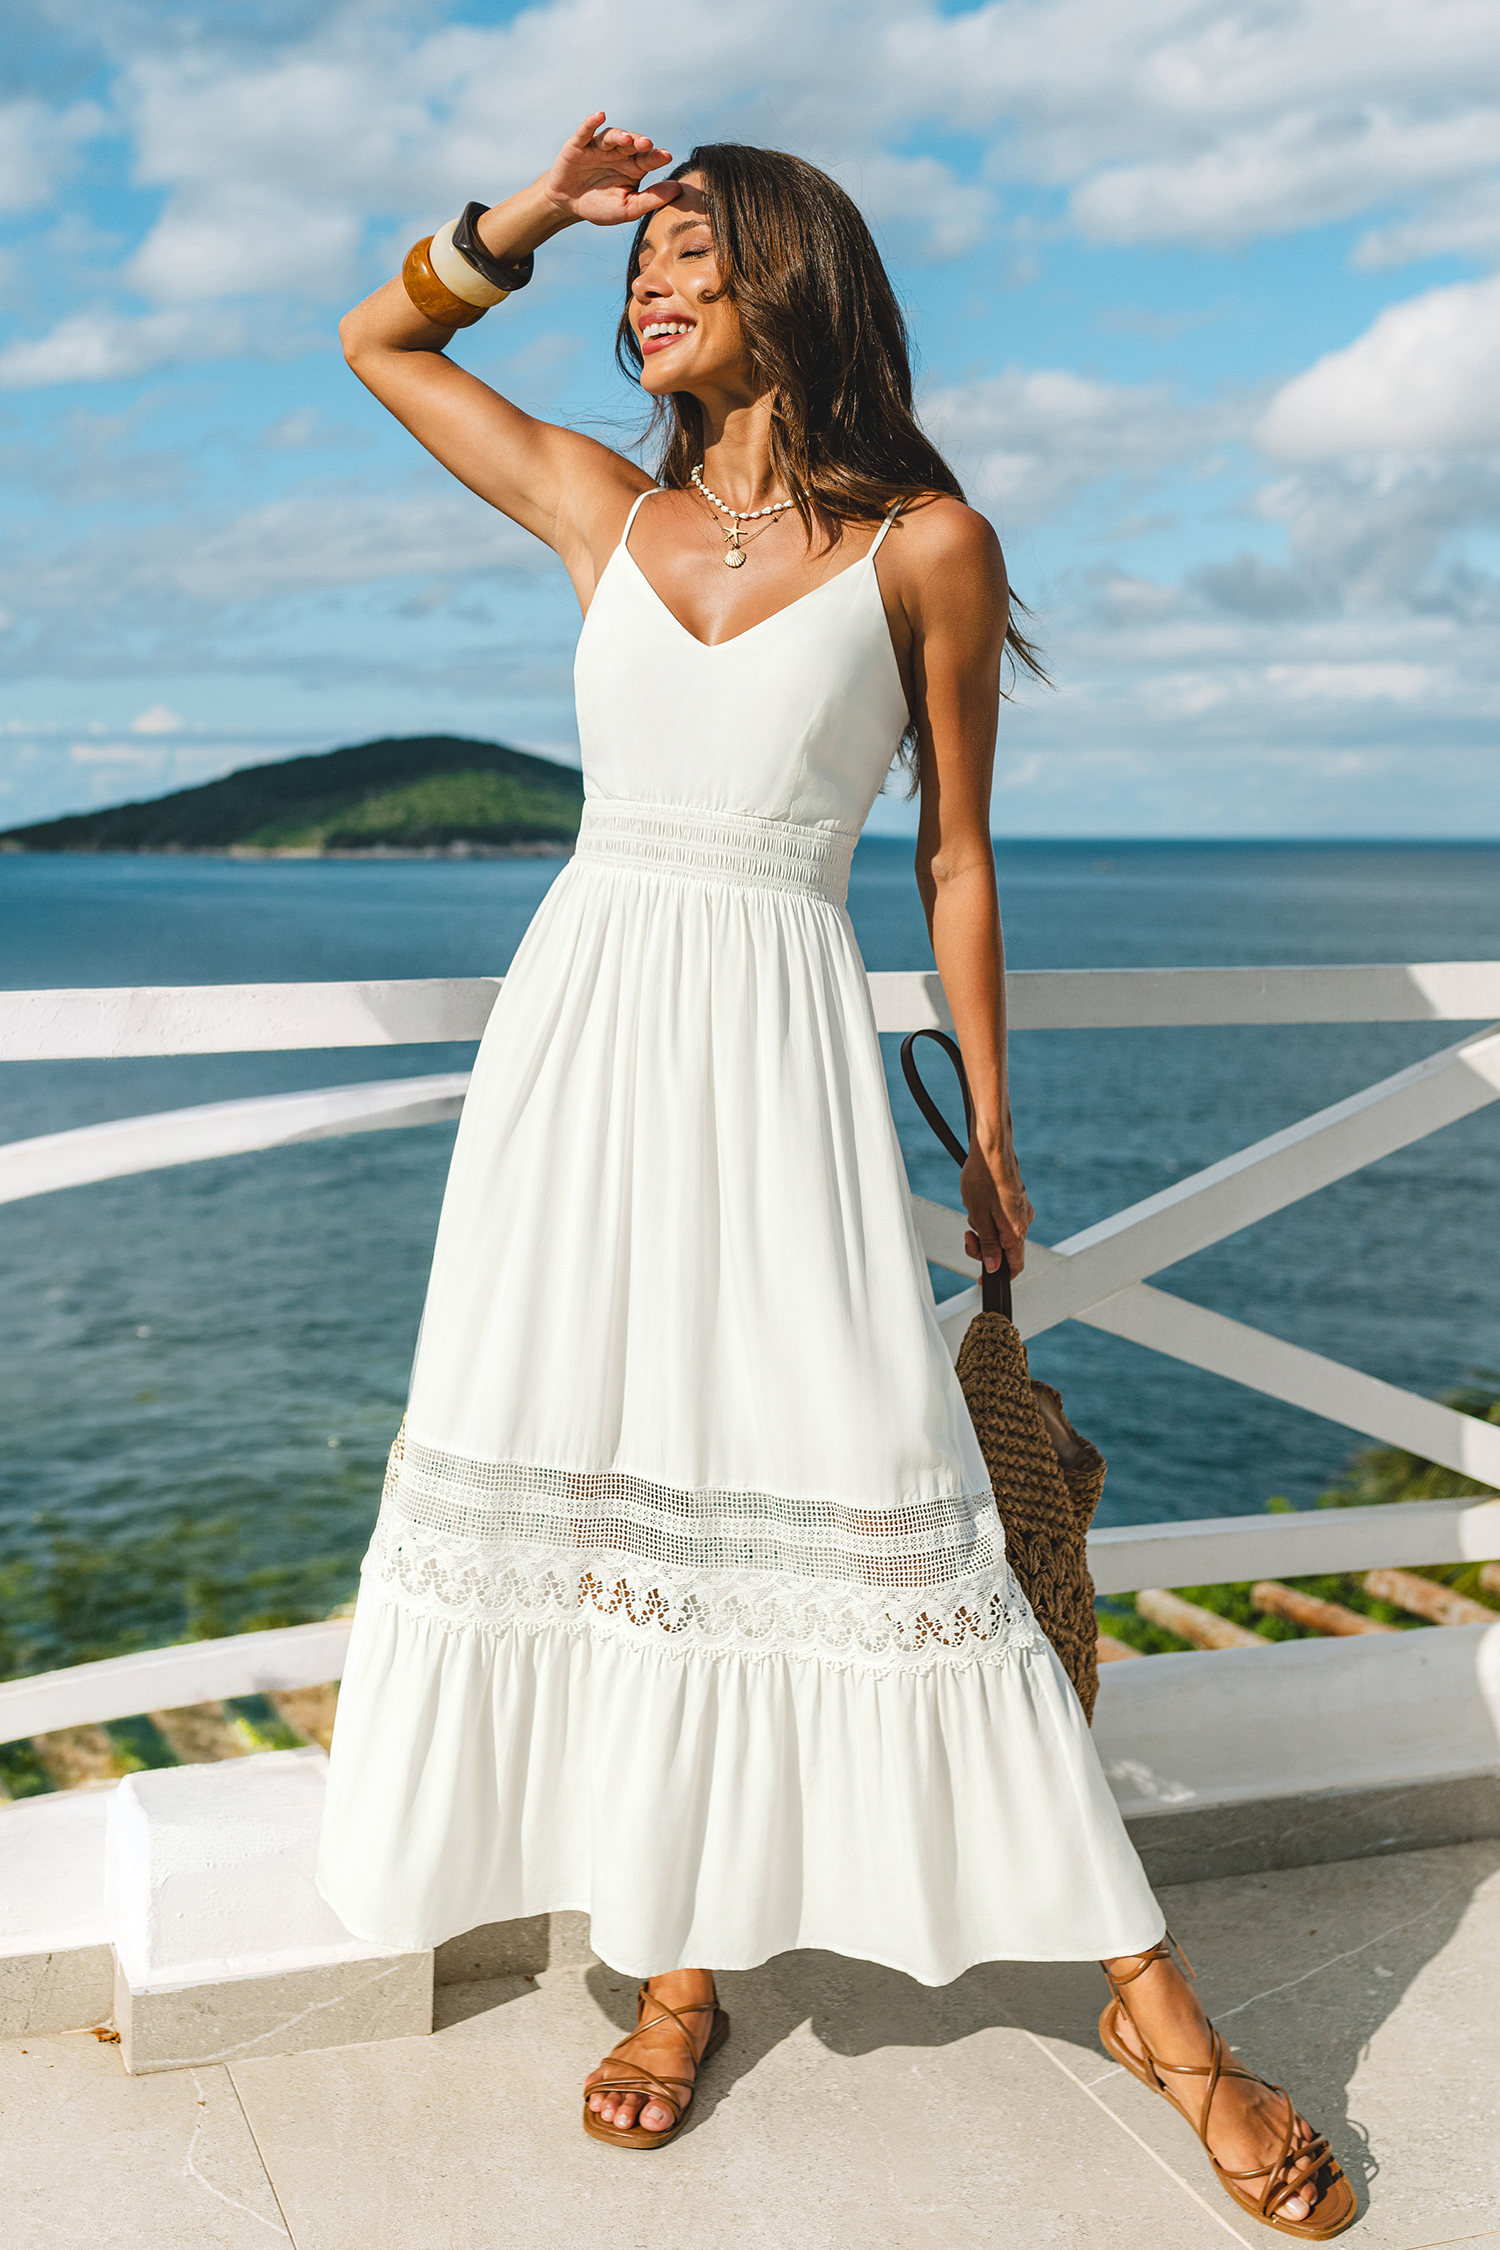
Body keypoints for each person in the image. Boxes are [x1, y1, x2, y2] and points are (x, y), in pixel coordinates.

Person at [315, 115, 1353, 2235]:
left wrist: (994, 1123)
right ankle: (675, 1974)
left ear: (792, 273)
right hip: (578, 1057)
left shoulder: (925, 548)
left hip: (778, 1059)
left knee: (882, 1498)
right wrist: (532, 216)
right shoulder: (603, 509)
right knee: (626, 1476)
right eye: (637, 264)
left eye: (686, 249)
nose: (647, 285)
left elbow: (956, 854)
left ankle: (1159, 2010)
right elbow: (379, 346)